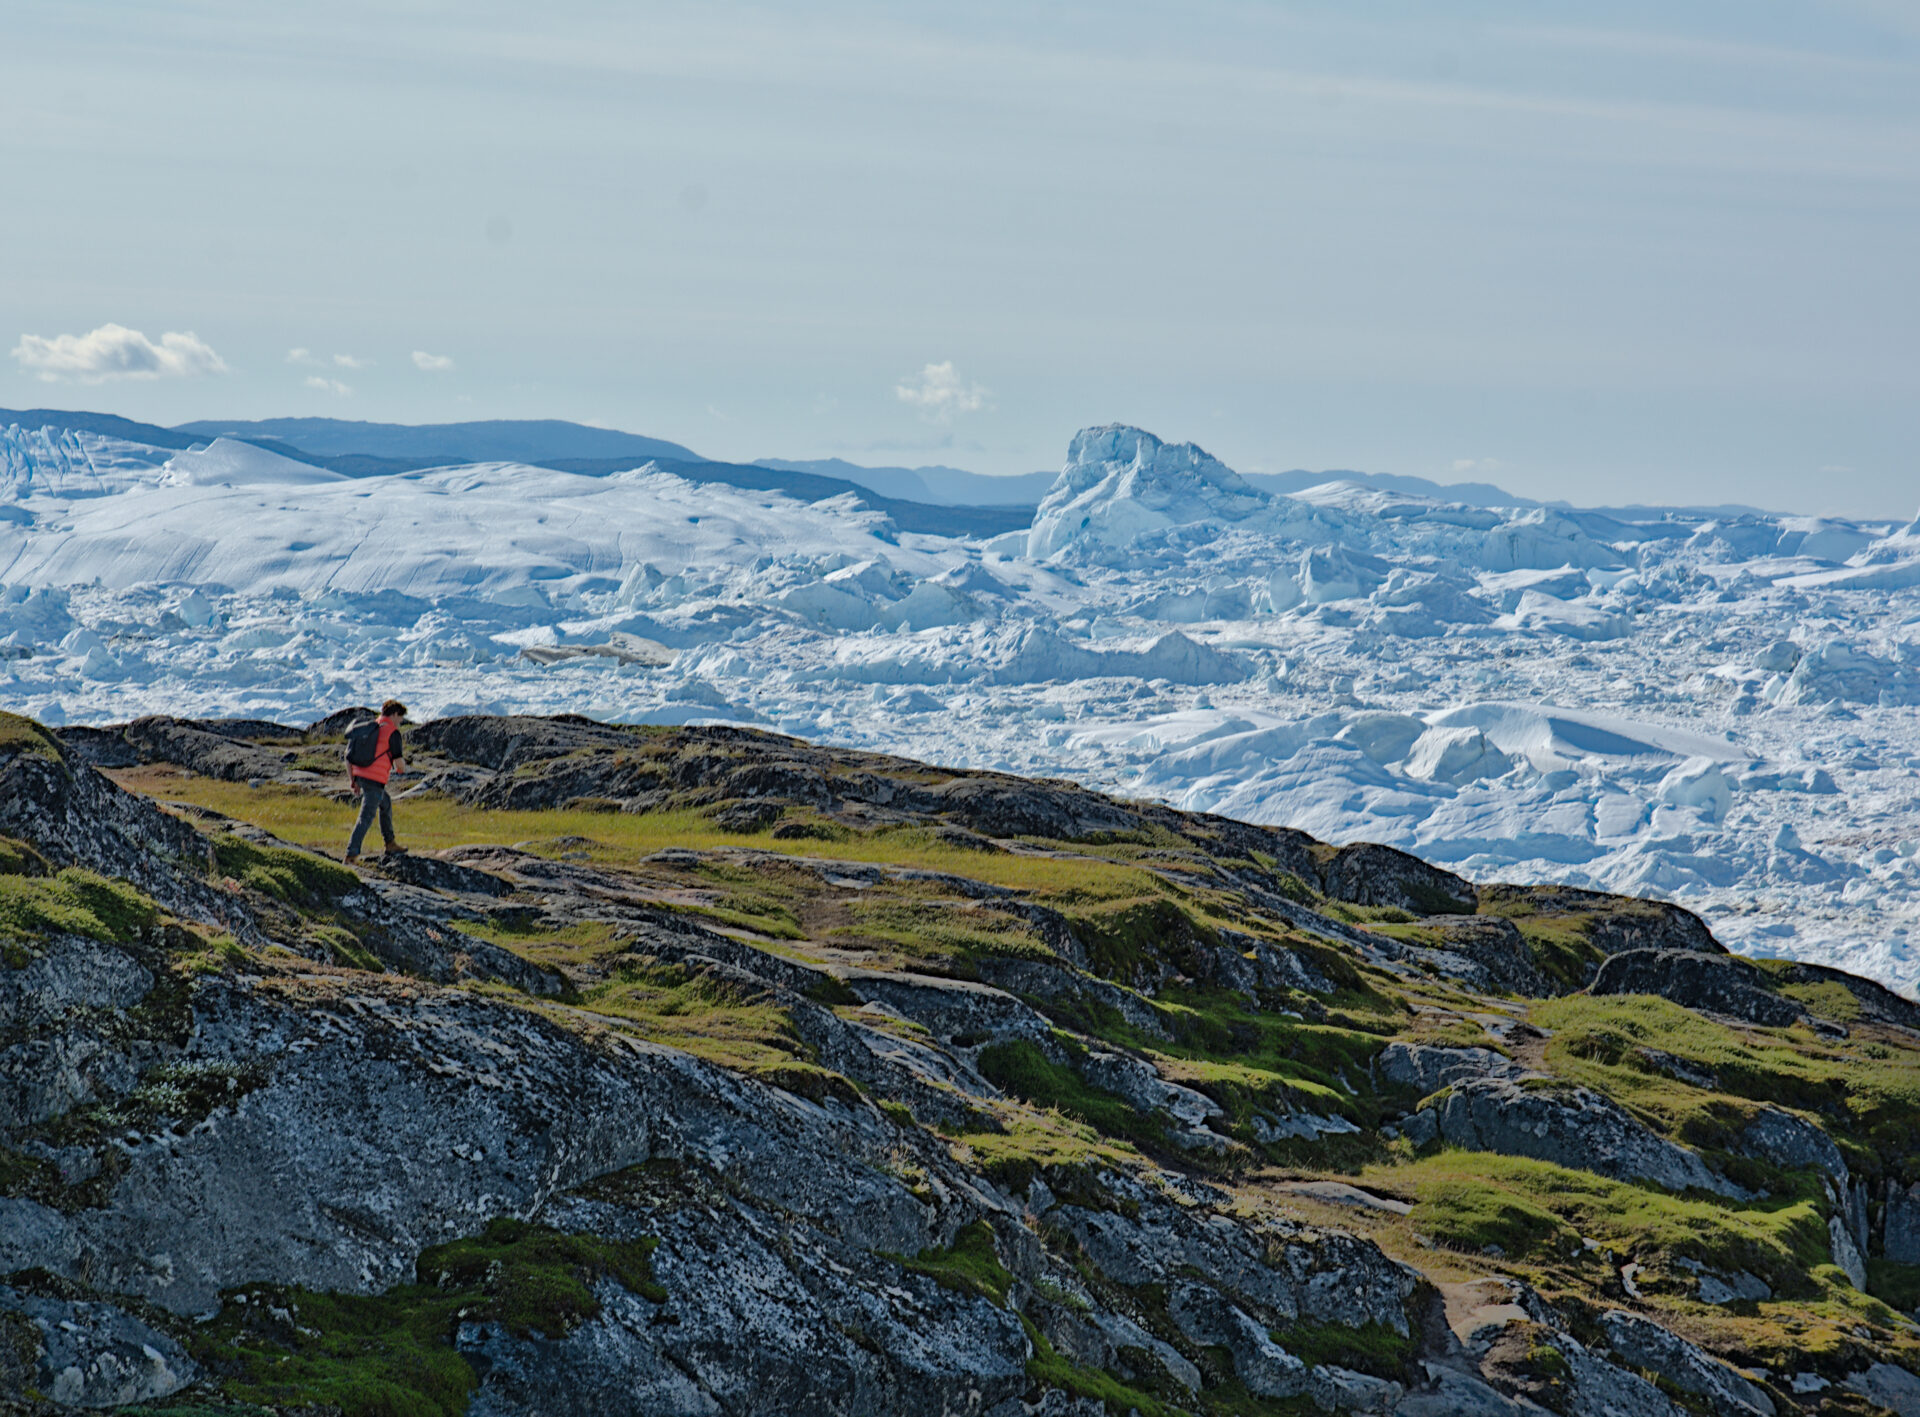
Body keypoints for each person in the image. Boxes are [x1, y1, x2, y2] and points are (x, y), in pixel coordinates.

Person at [345, 699, 409, 863]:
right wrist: (403, 769)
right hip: (374, 781)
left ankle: (390, 843)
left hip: (361, 776)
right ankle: (351, 855)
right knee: (366, 817)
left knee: (385, 803)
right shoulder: (392, 732)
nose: (400, 722)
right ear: (394, 714)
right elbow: (399, 765)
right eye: (400, 718)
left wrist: (354, 780)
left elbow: (349, 756)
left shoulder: (368, 728)